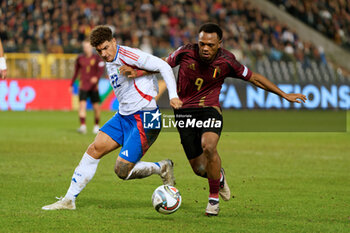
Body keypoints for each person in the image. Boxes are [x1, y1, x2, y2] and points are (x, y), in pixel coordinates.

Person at [123, 23, 307, 216]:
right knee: (198, 168)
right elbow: (162, 64)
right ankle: (218, 178)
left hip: (209, 109)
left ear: (219, 43)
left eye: (210, 45)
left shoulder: (228, 61)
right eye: (202, 43)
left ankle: (213, 200)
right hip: (183, 112)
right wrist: (139, 71)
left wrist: (284, 94)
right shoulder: (185, 52)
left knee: (209, 146)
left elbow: (254, 78)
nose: (205, 48)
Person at [42, 25, 183, 210]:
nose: (104, 53)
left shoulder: (130, 54)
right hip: (123, 117)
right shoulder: (109, 60)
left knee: (122, 170)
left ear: (114, 41)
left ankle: (161, 167)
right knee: (94, 149)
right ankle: (69, 200)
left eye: (106, 47)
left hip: (146, 117)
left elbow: (163, 65)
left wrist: (173, 95)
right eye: (99, 50)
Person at [71, 40, 105, 134]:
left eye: (88, 47)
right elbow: (76, 72)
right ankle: (83, 126)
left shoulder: (97, 58)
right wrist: (71, 84)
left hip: (94, 87)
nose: (86, 49)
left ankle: (96, 126)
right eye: (85, 47)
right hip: (83, 86)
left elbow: (101, 70)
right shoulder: (80, 58)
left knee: (96, 107)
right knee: (82, 106)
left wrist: (96, 78)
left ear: (91, 48)